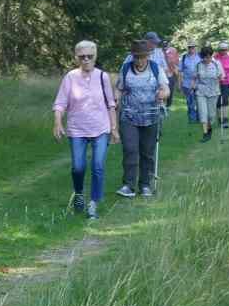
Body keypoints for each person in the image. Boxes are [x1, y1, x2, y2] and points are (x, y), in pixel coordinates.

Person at [52, 40, 116, 219]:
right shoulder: (70, 77)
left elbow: (111, 104)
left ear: (95, 56)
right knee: (78, 167)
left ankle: (94, 203)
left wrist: (114, 128)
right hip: (77, 129)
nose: (86, 59)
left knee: (98, 166)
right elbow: (60, 102)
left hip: (100, 128)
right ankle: (79, 193)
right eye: (82, 57)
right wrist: (58, 122)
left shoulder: (103, 76)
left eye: (90, 56)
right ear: (76, 57)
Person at [114, 37, 169, 198]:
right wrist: (115, 99)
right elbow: (119, 88)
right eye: (136, 56)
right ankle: (128, 185)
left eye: (142, 56)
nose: (139, 60)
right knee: (130, 150)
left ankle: (145, 185)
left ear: (148, 55)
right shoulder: (125, 69)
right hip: (129, 116)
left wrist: (162, 93)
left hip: (151, 117)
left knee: (147, 152)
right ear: (132, 56)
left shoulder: (155, 68)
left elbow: (165, 89)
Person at [193, 45, 224, 141]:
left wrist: (219, 78)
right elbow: (195, 77)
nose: (207, 59)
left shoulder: (216, 64)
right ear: (202, 57)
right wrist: (193, 85)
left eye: (209, 57)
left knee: (211, 115)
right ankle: (205, 133)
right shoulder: (198, 65)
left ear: (211, 55)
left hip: (213, 91)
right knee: (203, 113)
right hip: (201, 91)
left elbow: (221, 76)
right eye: (205, 57)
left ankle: (209, 128)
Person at [180, 44, 202, 126]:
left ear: (195, 48)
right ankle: (192, 119)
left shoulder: (200, 56)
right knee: (190, 102)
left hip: (199, 83)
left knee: (200, 101)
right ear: (188, 48)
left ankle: (200, 118)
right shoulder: (184, 57)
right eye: (190, 47)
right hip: (187, 83)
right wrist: (180, 84)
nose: (191, 49)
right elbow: (180, 71)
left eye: (193, 47)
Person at [216, 41, 229, 129]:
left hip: (227, 82)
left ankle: (225, 119)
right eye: (221, 50)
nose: (223, 51)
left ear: (227, 50)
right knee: (218, 101)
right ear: (219, 50)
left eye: (225, 50)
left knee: (225, 99)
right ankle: (220, 119)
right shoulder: (215, 58)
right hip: (217, 82)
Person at [159, 37, 180, 109]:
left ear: (169, 44)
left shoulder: (173, 51)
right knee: (162, 90)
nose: (164, 47)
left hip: (171, 74)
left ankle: (168, 105)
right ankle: (161, 105)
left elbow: (177, 62)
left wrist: (176, 74)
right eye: (163, 45)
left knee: (170, 91)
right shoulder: (158, 52)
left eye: (166, 45)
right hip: (161, 75)